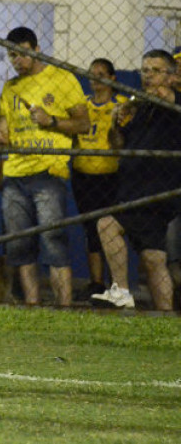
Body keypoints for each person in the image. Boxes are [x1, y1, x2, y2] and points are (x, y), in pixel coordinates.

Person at [0, 27, 89, 307]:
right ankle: (33, 308)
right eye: (11, 56)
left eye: (21, 54)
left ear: (36, 50)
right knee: (20, 247)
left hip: (48, 172)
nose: (16, 61)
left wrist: (52, 122)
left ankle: (64, 308)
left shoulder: (62, 78)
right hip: (15, 175)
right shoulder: (11, 87)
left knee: (54, 241)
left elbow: (84, 123)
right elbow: (6, 129)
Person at [90, 50, 181, 311]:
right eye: (145, 70)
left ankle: (121, 291)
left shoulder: (174, 102)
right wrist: (115, 124)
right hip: (134, 189)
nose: (148, 76)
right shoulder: (142, 108)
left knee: (107, 225)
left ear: (172, 76)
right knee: (154, 259)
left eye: (155, 70)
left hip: (157, 191)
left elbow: (168, 97)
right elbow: (118, 144)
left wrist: (141, 100)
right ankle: (166, 320)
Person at [70, 58, 125, 300]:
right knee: (90, 228)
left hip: (110, 175)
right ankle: (96, 282)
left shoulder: (121, 104)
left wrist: (114, 123)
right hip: (84, 175)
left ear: (112, 78)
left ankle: (117, 283)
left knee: (110, 228)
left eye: (101, 74)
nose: (96, 79)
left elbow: (120, 143)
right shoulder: (83, 104)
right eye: (92, 74)